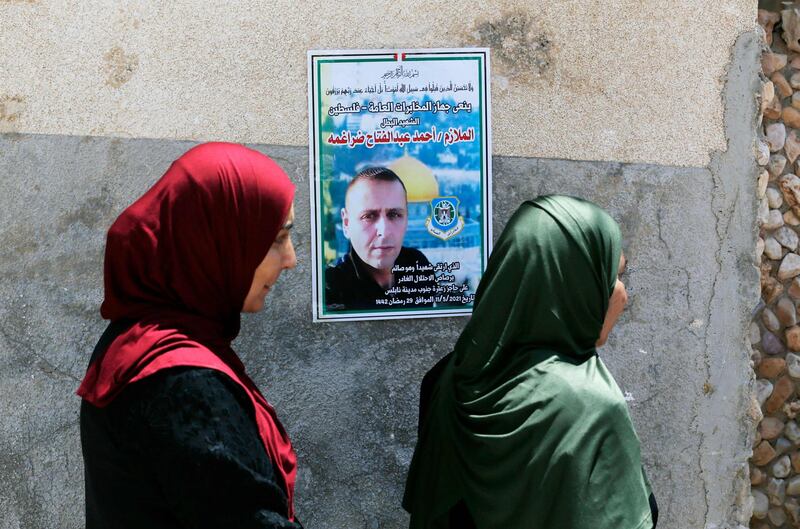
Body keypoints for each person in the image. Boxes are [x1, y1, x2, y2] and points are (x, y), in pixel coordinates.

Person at [77, 142, 303, 529]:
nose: (291, 259)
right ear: (213, 240)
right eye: (276, 239)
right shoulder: (181, 382)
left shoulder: (137, 343)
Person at [403, 195, 658, 529]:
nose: (620, 293)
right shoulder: (590, 405)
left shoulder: (445, 378)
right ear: (573, 285)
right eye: (610, 275)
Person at [325, 166, 435, 311]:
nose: (384, 231)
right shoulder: (331, 286)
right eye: (368, 216)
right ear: (346, 223)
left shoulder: (418, 265)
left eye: (395, 214)